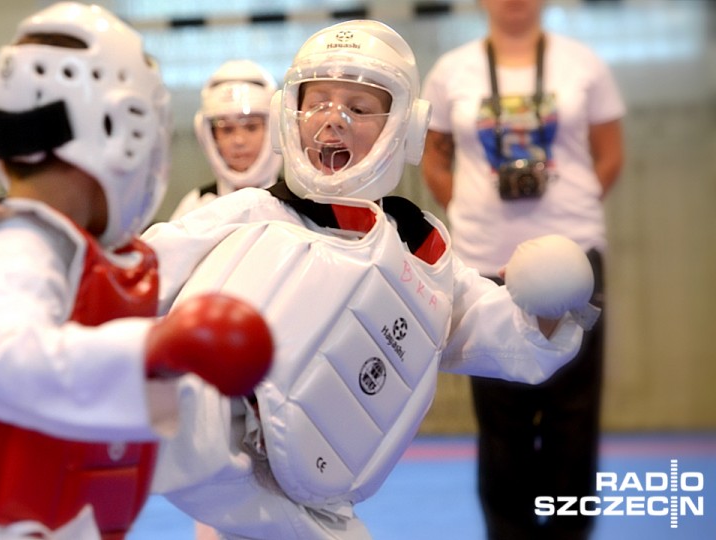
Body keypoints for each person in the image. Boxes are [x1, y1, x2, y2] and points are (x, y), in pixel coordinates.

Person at [143, 19, 598, 539]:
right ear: (287, 115)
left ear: (405, 127)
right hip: (227, 491)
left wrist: (550, 300)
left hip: (323, 504)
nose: (331, 122)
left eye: (358, 109)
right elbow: (140, 275)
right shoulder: (250, 214)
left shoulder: (417, 245)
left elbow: (497, 332)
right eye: (316, 104)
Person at [0, 3, 273, 539]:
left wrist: (260, 207)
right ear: (122, 130)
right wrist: (154, 349)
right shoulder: (13, 251)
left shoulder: (23, 242)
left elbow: (165, 250)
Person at [420, 0, 625, 538]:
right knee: (500, 417)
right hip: (485, 260)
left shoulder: (583, 64)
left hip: (575, 259)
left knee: (573, 413)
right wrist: (464, 208)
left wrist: (566, 219)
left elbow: (609, 154)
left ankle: (567, 533)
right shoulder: (452, 71)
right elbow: (435, 157)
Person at [170, 60, 282, 220]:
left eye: (251, 127)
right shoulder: (195, 206)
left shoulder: (297, 205)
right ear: (209, 135)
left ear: (273, 128)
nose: (239, 140)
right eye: (227, 129)